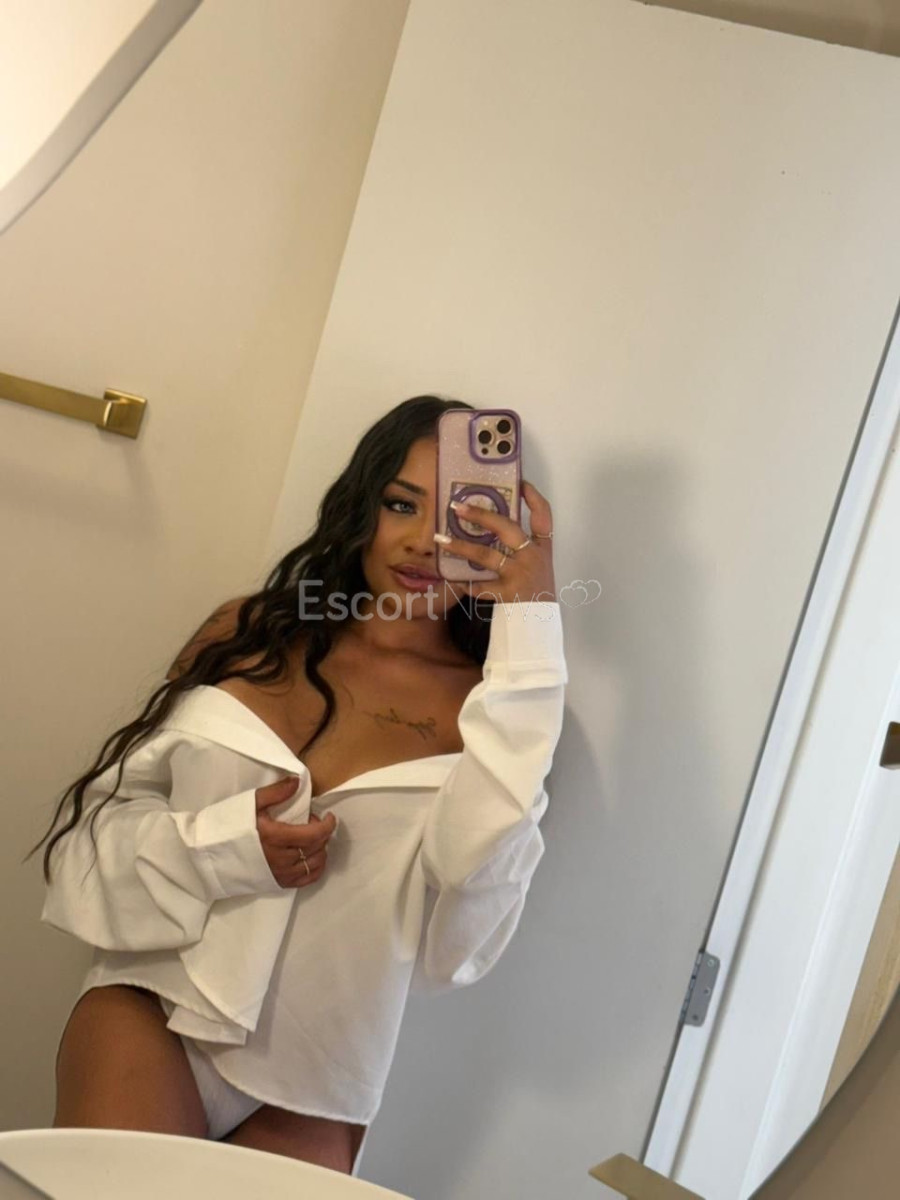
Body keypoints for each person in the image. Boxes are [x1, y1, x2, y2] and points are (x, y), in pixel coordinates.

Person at [29, 394, 567, 1177]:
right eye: (400, 504)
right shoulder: (247, 631)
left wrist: (532, 620)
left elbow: (465, 907)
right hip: (156, 1005)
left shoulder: (496, 708)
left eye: (462, 517)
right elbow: (97, 836)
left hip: (320, 1071)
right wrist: (227, 849)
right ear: (361, 506)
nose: (423, 539)